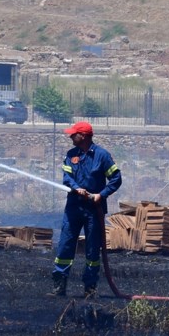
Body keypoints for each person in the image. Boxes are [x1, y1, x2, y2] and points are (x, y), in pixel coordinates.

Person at [52, 120, 122, 298]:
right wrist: (76, 187)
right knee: (65, 246)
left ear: (82, 136)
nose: (70, 136)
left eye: (73, 133)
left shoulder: (102, 156)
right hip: (73, 207)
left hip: (94, 210)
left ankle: (90, 289)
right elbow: (66, 177)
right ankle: (59, 285)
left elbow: (116, 179)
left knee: (92, 250)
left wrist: (101, 194)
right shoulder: (71, 154)